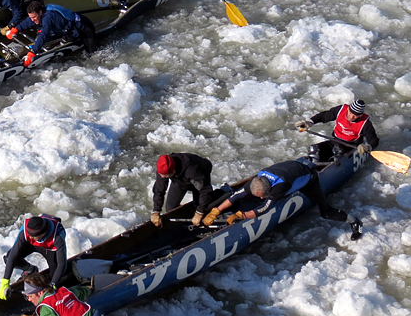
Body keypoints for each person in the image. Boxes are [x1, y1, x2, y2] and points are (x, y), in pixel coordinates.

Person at [202, 158, 364, 240]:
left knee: (325, 212)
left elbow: (264, 209)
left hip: (309, 179)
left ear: (268, 190)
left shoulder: (279, 187)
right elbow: (236, 195)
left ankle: (354, 221)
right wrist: (217, 210)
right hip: (290, 169)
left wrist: (240, 216)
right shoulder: (256, 181)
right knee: (245, 199)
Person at [0, 214, 68, 300]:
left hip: (49, 248)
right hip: (30, 245)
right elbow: (12, 256)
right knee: (8, 259)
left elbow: (62, 264)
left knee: (57, 273)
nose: (30, 237)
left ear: (42, 233)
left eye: (33, 236)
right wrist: (5, 281)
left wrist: (52, 285)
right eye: (29, 234)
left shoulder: (57, 236)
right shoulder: (25, 232)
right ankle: (30, 270)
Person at [5, 0, 96, 66]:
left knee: (91, 54)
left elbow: (44, 34)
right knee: (41, 38)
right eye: (31, 17)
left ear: (40, 12)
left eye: (34, 17)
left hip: (83, 28)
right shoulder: (37, 15)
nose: (33, 20)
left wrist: (33, 52)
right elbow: (28, 21)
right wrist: (16, 29)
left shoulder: (48, 18)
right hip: (66, 30)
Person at [295, 98, 379, 163]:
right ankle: (313, 167)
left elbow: (374, 140)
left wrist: (368, 146)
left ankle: (331, 167)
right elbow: (324, 116)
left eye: (355, 116)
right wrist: (310, 122)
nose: (351, 116)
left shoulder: (365, 123)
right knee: (313, 148)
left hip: (350, 145)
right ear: (348, 109)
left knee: (339, 150)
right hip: (334, 141)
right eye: (350, 112)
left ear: (360, 115)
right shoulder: (340, 110)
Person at [151, 153, 215, 227]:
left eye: (164, 176)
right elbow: (159, 190)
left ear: (173, 171)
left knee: (200, 205)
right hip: (180, 180)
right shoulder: (163, 167)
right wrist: (156, 211)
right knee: (170, 209)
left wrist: (199, 212)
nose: (161, 176)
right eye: (161, 174)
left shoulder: (192, 171)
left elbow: (205, 190)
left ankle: (202, 220)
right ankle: (186, 222)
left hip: (200, 173)